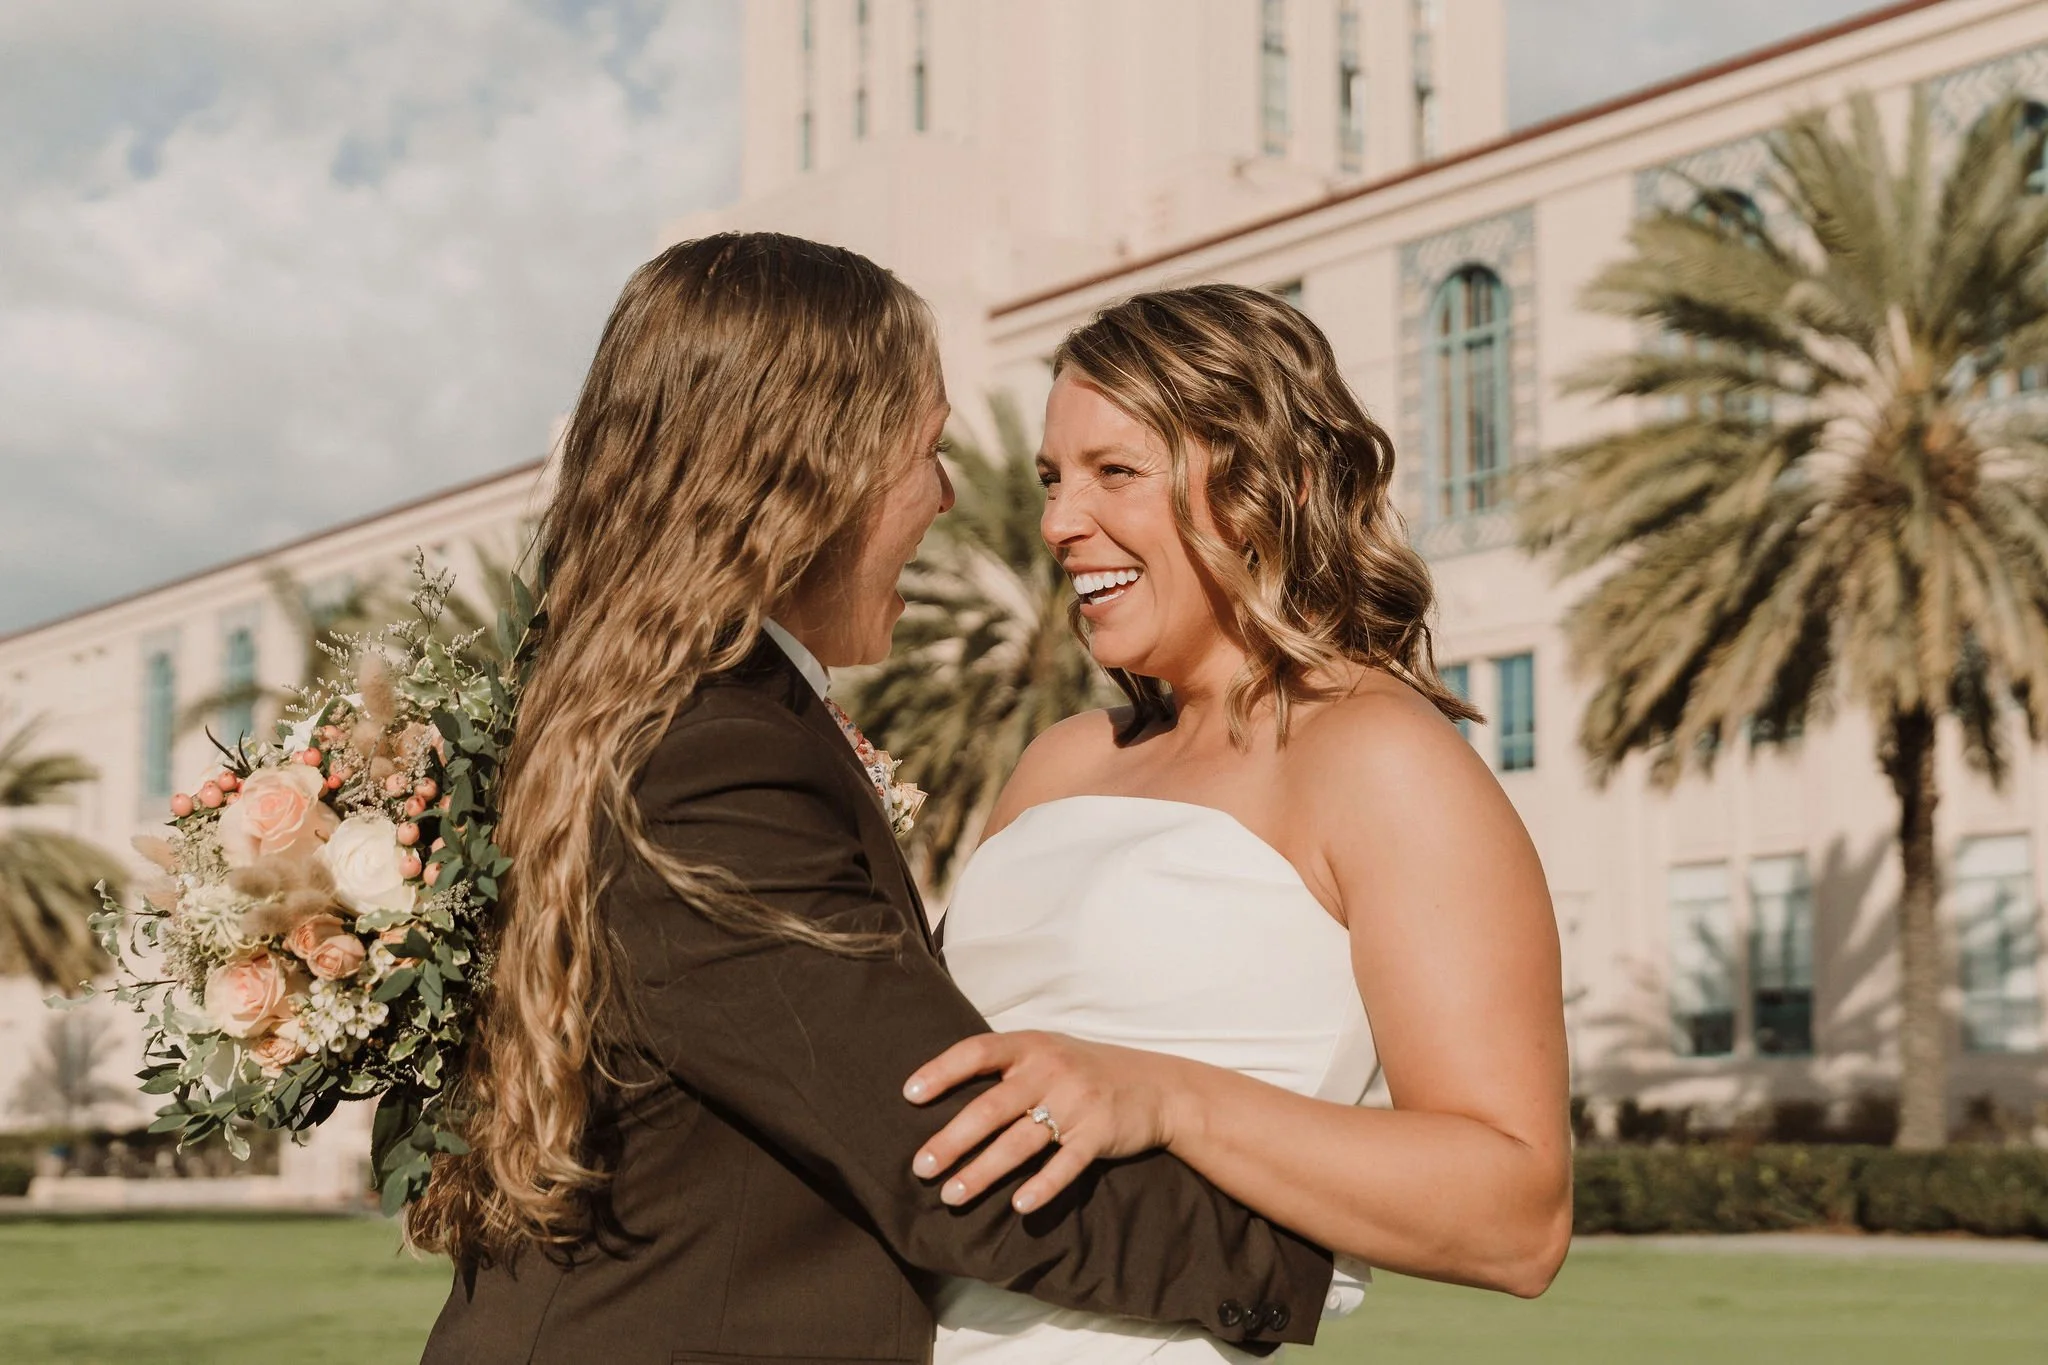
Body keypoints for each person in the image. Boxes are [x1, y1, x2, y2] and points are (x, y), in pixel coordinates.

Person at [408, 236, 1336, 1365]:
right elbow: (945, 1159)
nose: (950, 497)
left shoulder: (683, 719)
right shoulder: (709, 752)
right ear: (810, 468)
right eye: (927, 450)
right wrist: (1302, 1258)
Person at [899, 284, 1573, 1363]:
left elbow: (1517, 1216)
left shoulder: (1383, 760)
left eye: (1113, 473)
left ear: (1272, 484)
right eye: (1051, 480)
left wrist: (1166, 1099)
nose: (1058, 524)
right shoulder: (1060, 759)